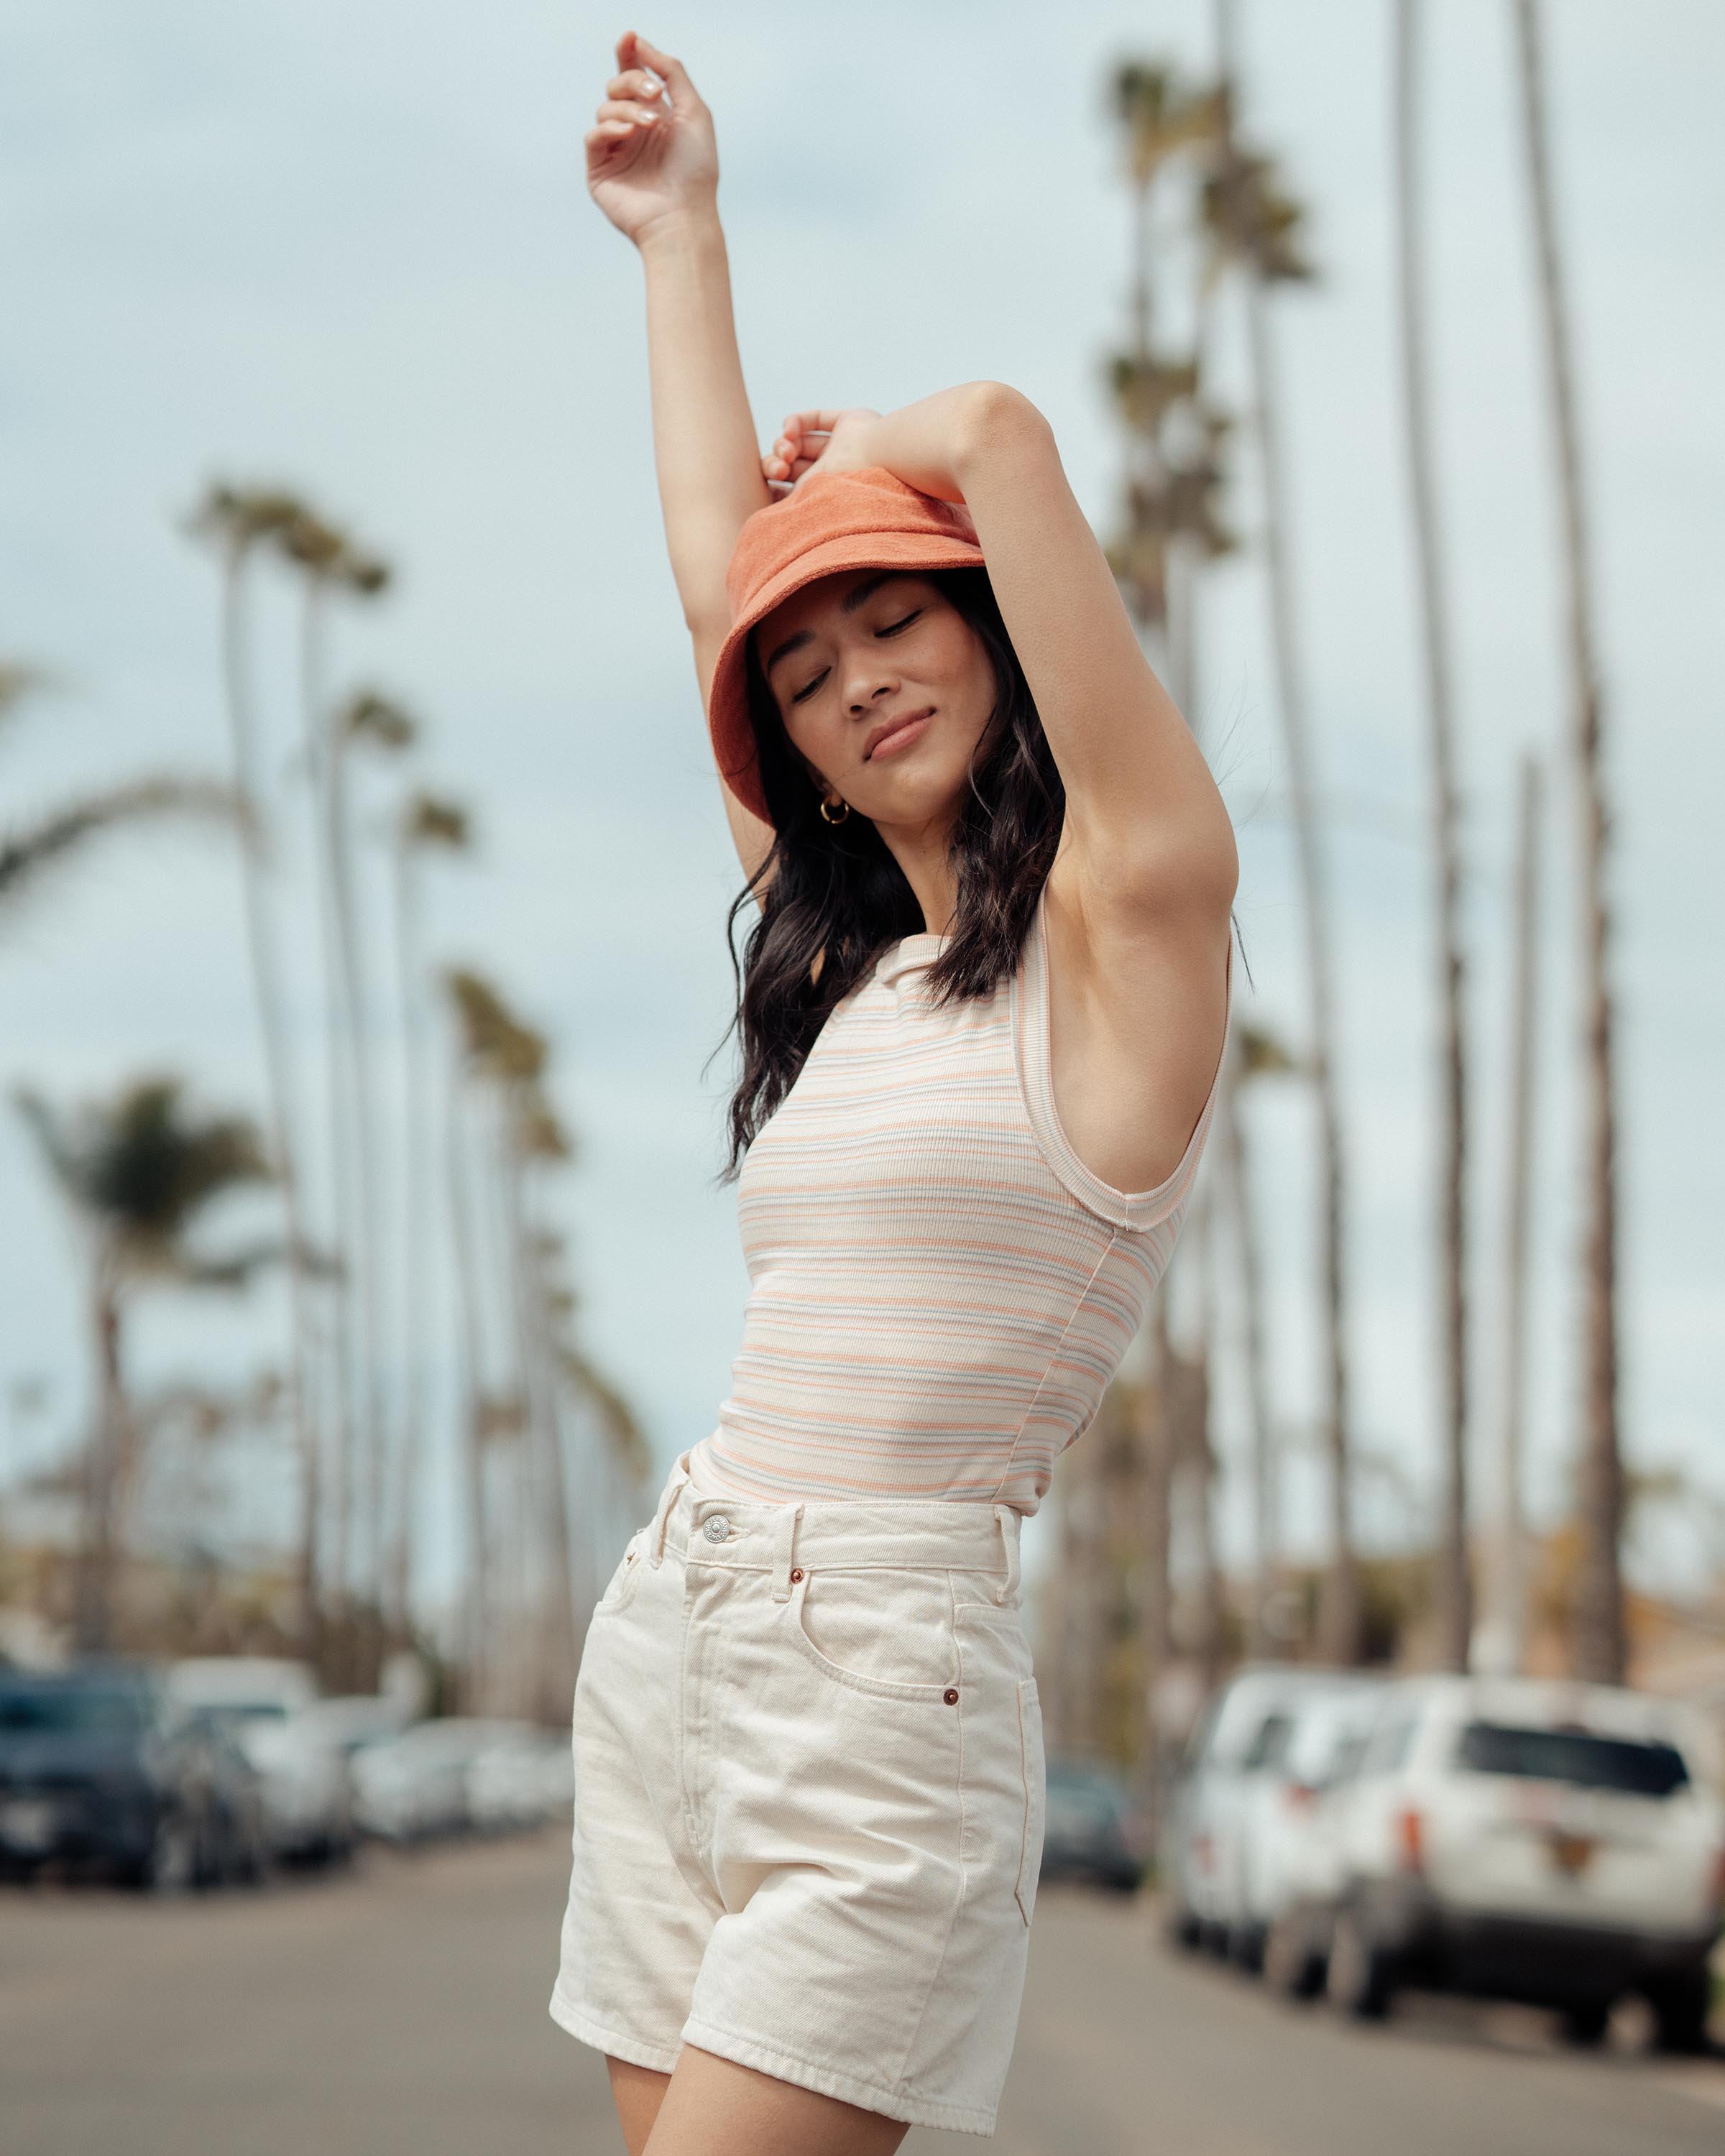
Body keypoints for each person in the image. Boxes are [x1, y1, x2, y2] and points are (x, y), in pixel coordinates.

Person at [555, 30, 1239, 2155]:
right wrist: (683, 238)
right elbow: (709, 578)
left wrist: (923, 438)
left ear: (987, 623)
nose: (853, 671)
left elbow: (1017, 437)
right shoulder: (848, 960)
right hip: (676, 1633)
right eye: (808, 663)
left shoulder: (1132, 939)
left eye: (896, 615)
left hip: (887, 1691)